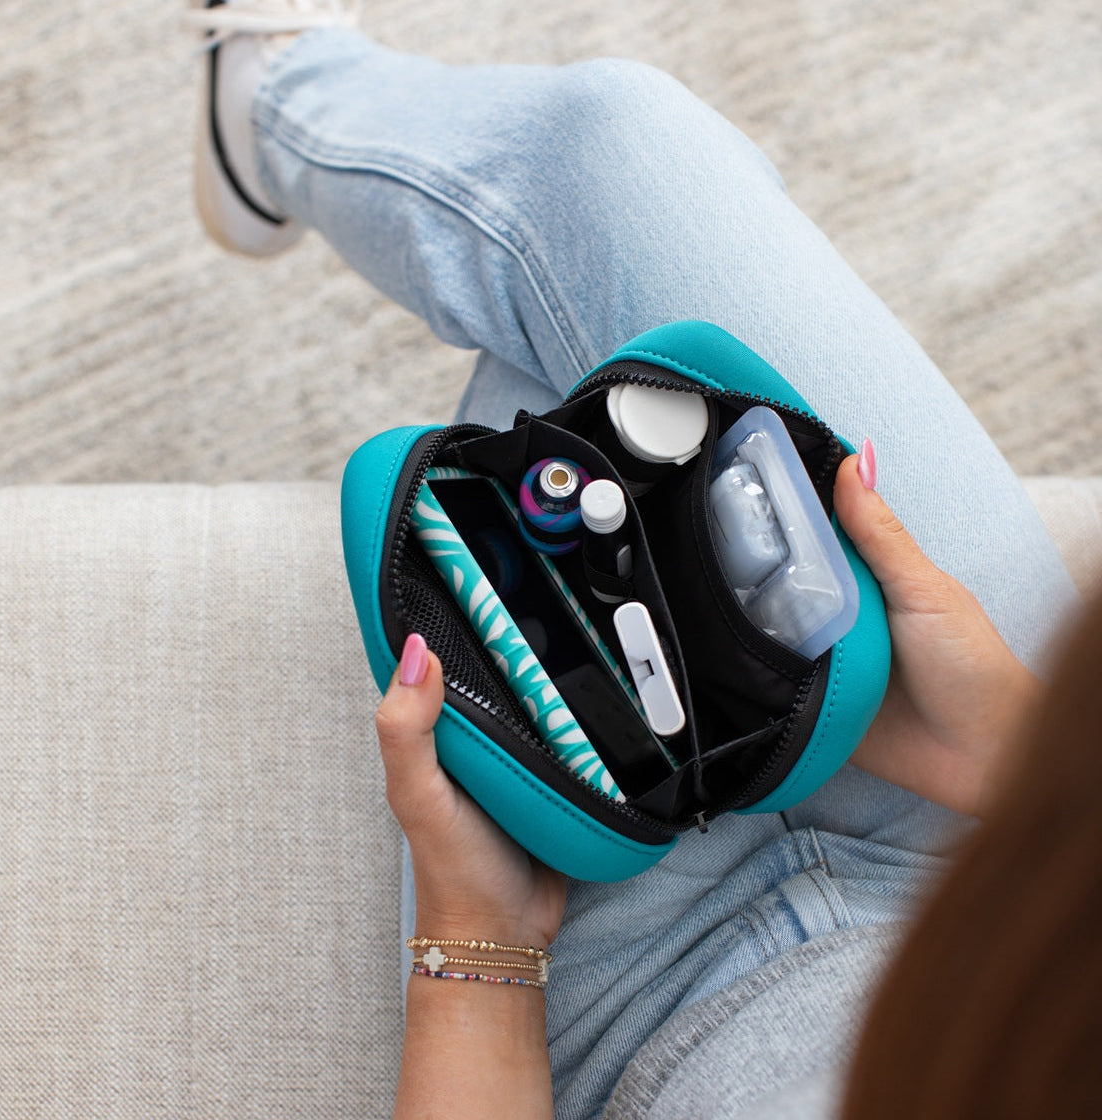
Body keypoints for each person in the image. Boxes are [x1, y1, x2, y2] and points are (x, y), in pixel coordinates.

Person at [183, 3, 1085, 1116]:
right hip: (1009, 864)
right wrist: (1023, 759)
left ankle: (282, 98)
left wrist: (480, 945)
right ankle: (277, 106)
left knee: (527, 460)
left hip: (627, 994)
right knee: (615, 147)